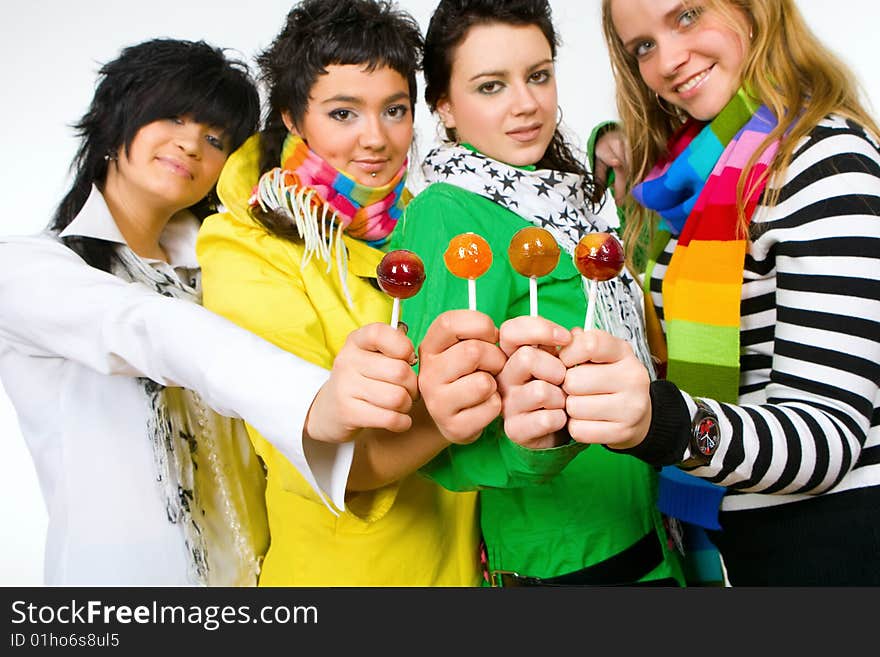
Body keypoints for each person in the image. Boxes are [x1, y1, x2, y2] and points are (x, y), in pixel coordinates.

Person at [0, 38, 377, 586]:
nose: (192, 145)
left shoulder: (225, 270)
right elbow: (146, 327)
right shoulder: (29, 269)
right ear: (113, 120)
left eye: (215, 137)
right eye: (172, 117)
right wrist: (315, 400)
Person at [196, 0, 503, 586]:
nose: (376, 139)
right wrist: (458, 406)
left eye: (395, 110)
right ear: (291, 117)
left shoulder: (428, 226)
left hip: (465, 568)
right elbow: (326, 456)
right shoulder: (242, 246)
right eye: (343, 113)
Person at [578, 0, 880, 585]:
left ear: (753, 10)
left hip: (835, 540)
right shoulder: (697, 176)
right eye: (641, 46)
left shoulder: (826, 162)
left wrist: (656, 422)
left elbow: (827, 438)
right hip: (736, 540)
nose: (666, 61)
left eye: (686, 16)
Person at [388, 0, 684, 587]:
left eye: (538, 75)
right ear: (443, 106)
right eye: (491, 86)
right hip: (564, 563)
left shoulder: (562, 200)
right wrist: (537, 445)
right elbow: (437, 429)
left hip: (649, 530)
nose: (526, 103)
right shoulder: (447, 214)